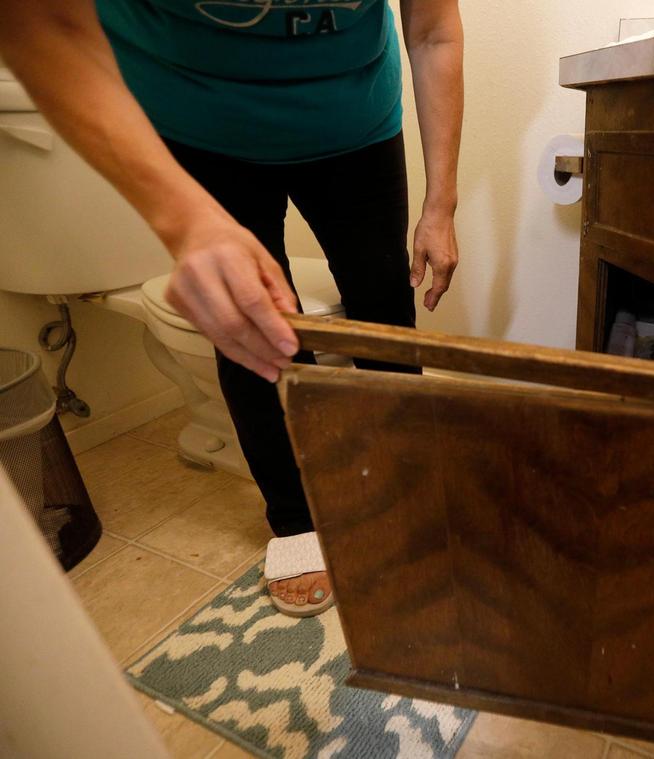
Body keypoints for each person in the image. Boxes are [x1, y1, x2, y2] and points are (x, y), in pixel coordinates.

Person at [0, 0, 463, 615]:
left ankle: (405, 486)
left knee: (385, 319)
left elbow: (433, 32)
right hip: (203, 129)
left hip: (355, 127)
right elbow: (38, 23)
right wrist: (183, 220)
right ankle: (295, 520)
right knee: (253, 331)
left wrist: (441, 207)